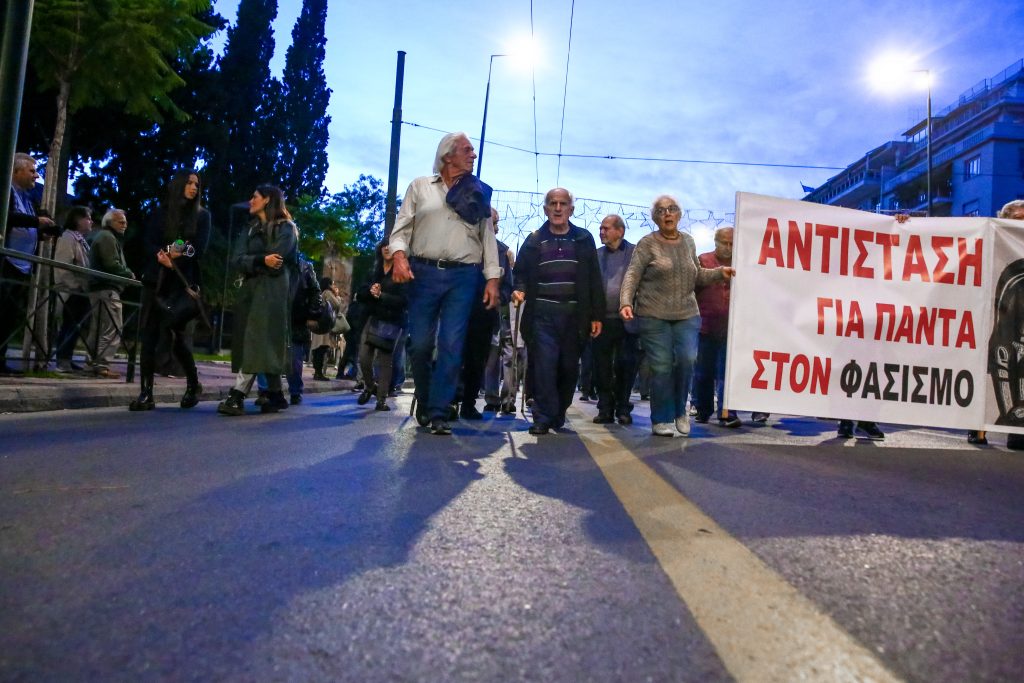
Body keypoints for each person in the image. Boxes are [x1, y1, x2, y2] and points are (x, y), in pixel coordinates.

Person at [388, 132, 501, 435]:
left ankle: (439, 411)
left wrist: (492, 278)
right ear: (447, 156)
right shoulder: (420, 186)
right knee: (420, 344)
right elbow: (401, 228)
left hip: (463, 276)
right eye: (467, 150)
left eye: (473, 151)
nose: (473, 155)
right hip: (423, 273)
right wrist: (399, 257)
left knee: (452, 343)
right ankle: (426, 399)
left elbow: (487, 238)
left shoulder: (478, 192)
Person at [620, 195, 734, 437]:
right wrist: (626, 302)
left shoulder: (688, 242)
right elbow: (632, 274)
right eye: (661, 210)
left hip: (686, 313)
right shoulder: (647, 243)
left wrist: (719, 273)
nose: (667, 213)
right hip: (653, 313)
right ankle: (661, 418)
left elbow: (697, 275)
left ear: (679, 215)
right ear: (655, 217)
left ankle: (680, 411)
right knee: (661, 366)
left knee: (687, 359)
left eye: (672, 209)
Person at [512, 188, 605, 435]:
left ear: (571, 210)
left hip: (575, 317)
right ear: (545, 209)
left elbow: (594, 279)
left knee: (568, 368)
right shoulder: (534, 240)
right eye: (553, 203)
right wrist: (519, 289)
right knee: (544, 366)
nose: (557, 208)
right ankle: (542, 416)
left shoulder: (583, 239)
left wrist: (596, 315)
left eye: (563, 204)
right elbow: (520, 273)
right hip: (542, 315)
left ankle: (558, 411)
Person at [130, 171, 211, 411]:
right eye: (189, 183)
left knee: (177, 336)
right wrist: (165, 254)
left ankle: (193, 383)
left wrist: (178, 255)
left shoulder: (202, 216)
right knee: (149, 336)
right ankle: (146, 392)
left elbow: (198, 249)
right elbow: (148, 242)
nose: (194, 187)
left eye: (197, 184)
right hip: (156, 280)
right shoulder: (160, 213)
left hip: (180, 284)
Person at [217, 185, 297, 416]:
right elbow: (237, 259)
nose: (251, 201)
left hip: (272, 293)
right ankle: (276, 394)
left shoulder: (287, 228)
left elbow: (277, 261)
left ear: (267, 200)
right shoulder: (250, 228)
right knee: (257, 340)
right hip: (250, 291)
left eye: (255, 197)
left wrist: (253, 262)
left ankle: (237, 395)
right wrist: (261, 260)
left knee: (257, 339)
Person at [690, 226, 770, 428]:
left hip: (733, 329)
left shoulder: (744, 264)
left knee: (728, 373)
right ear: (715, 242)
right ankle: (703, 410)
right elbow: (693, 288)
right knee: (703, 373)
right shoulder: (703, 261)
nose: (727, 247)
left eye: (732, 244)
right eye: (724, 243)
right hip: (706, 326)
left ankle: (727, 413)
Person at [1, 153, 60, 374]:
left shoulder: (27, 197)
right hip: (7, 262)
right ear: (16, 171)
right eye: (32, 171)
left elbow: (24, 225)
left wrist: (40, 235)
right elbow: (7, 217)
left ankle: (1, 359)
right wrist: (36, 221)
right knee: (2, 312)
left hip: (22, 265)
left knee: (9, 316)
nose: (36, 176)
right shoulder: (6, 191)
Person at [592, 214, 640, 425]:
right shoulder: (596, 255)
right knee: (601, 367)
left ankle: (623, 407)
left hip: (628, 320)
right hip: (601, 320)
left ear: (620, 231)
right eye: (601, 228)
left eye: (606, 228)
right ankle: (605, 408)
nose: (601, 232)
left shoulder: (635, 253)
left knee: (626, 365)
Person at [987, 199, 1024, 449]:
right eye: (1018, 219)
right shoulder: (991, 240)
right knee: (1006, 359)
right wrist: (904, 224)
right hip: (1005, 320)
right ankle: (1015, 429)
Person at [355, 242, 408, 411]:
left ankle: (381, 399)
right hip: (371, 319)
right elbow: (360, 293)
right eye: (384, 245)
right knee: (364, 358)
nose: (386, 248)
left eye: (390, 246)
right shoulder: (373, 270)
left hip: (390, 322)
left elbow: (404, 300)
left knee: (385, 361)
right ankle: (370, 386)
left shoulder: (401, 272)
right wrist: (370, 290)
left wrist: (382, 295)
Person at [88, 209, 135, 379]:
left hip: (99, 288)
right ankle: (102, 365)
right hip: (106, 288)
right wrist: (128, 274)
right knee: (113, 328)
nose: (124, 225)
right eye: (120, 222)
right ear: (109, 222)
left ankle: (92, 363)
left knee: (99, 328)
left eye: (125, 222)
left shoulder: (105, 236)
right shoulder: (107, 237)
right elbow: (111, 264)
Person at [483, 208, 519, 413]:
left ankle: (504, 398)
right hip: (469, 309)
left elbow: (508, 286)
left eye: (496, 223)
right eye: (493, 223)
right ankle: (486, 396)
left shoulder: (502, 251)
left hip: (497, 312)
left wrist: (498, 297)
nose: (496, 228)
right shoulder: (469, 247)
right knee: (488, 356)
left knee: (502, 355)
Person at [52, 206, 93, 372]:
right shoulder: (68, 238)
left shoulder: (80, 239)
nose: (91, 221)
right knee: (69, 325)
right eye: (88, 218)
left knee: (75, 326)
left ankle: (67, 358)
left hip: (80, 290)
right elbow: (63, 265)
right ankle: (62, 360)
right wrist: (74, 286)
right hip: (71, 290)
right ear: (78, 219)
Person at [311, 276, 342, 382]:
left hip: (318, 324)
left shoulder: (320, 292)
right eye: (332, 283)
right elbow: (337, 305)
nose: (334, 286)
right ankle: (319, 373)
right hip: (324, 326)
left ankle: (317, 372)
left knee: (317, 349)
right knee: (322, 349)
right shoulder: (328, 293)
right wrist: (337, 296)